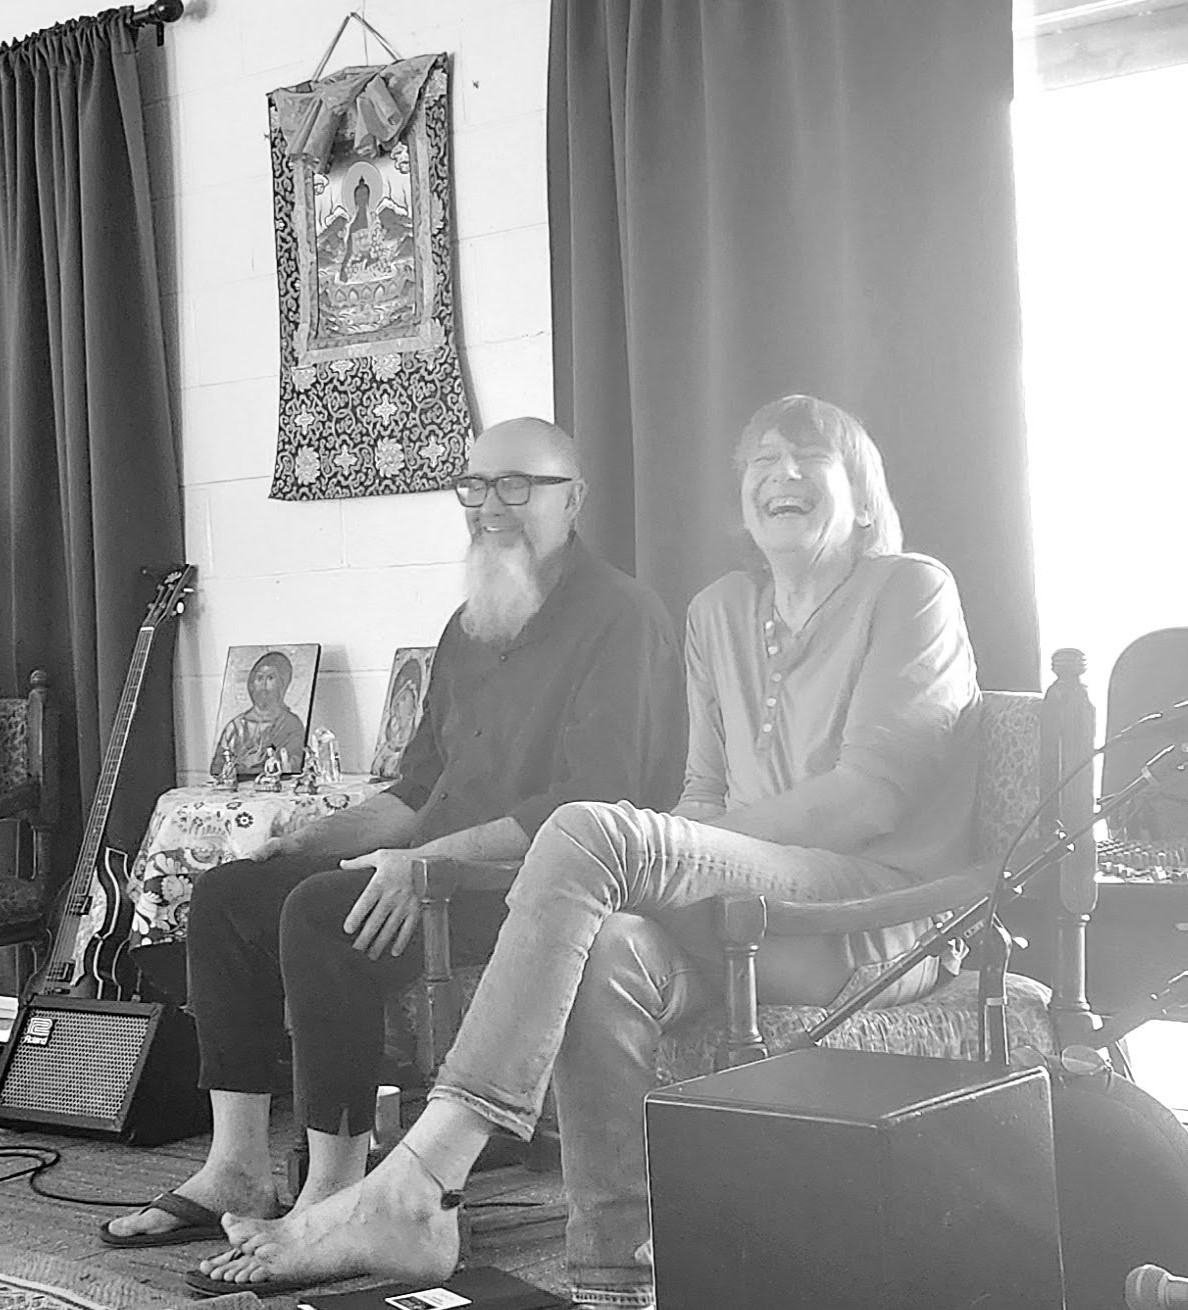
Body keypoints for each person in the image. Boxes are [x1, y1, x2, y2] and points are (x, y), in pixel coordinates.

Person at [194, 395, 982, 1303]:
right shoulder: (722, 609)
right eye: (760, 461)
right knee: (603, 948)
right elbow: (701, 794)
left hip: (871, 905)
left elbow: (865, 800)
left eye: (809, 458)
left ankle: (418, 1179)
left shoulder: (909, 586)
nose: (781, 475)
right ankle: (615, 1279)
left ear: (864, 485)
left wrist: (666, 851)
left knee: (588, 825)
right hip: (739, 908)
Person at [101, 416, 686, 1249]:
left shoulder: (622, 616)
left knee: (317, 914)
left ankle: (335, 1194)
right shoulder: (469, 622)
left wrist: (424, 861)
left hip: (535, 890)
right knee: (234, 891)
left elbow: (598, 801)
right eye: (476, 485)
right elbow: (414, 791)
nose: (490, 505)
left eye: (517, 485)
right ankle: (237, 1165)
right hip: (430, 865)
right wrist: (312, 833)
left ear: (574, 499)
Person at [209, 651, 309, 775]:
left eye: (270, 678)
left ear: (282, 684)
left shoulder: (290, 725)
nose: (263, 684)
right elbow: (218, 767)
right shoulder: (236, 726)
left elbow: (294, 764)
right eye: (259, 678)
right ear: (251, 683)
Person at [369, 655, 425, 780]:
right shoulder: (393, 730)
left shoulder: (418, 733)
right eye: (398, 700)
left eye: (404, 699)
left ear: (414, 703)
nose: (399, 704)